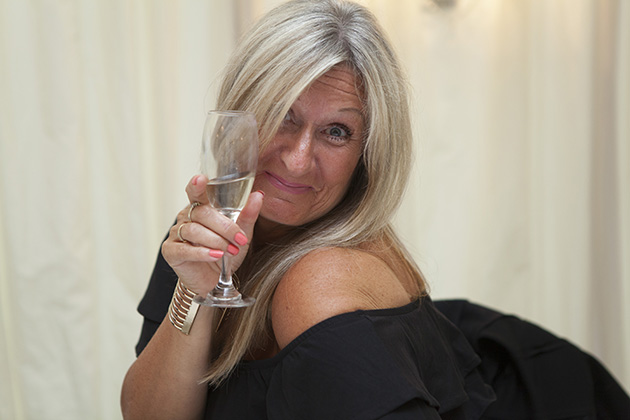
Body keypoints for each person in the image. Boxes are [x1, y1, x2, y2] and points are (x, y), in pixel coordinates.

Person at [120, 0, 496, 418]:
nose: (298, 160)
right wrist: (195, 291)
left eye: (336, 132)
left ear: (367, 155)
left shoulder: (320, 282)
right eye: (284, 116)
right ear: (239, 117)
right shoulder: (206, 230)